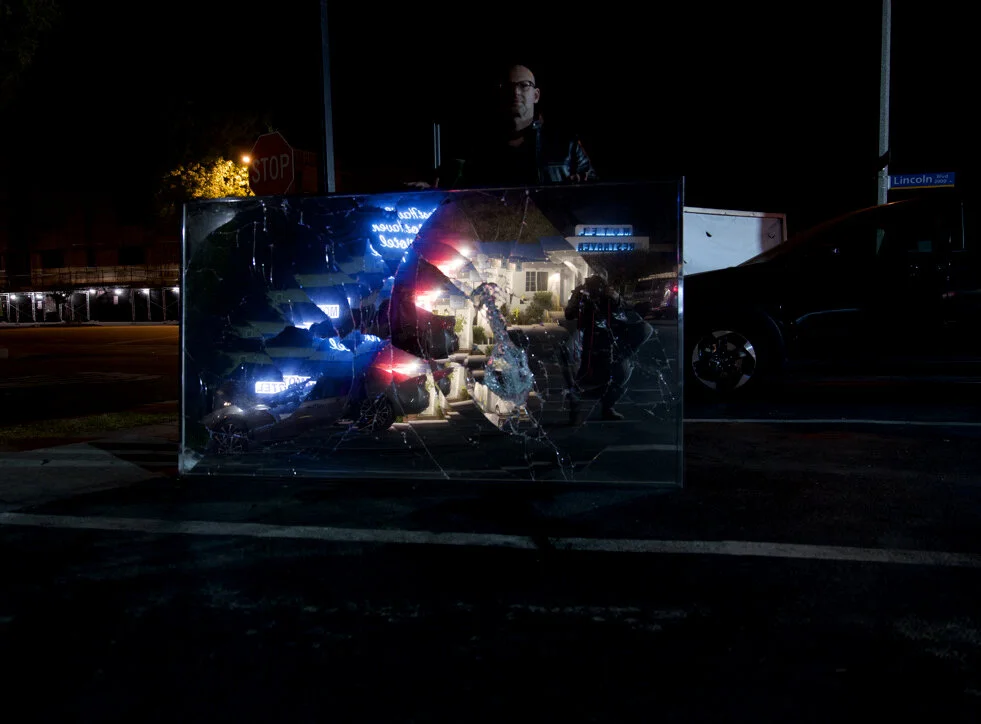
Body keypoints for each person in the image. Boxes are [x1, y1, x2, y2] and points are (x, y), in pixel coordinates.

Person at [409, 62, 597, 189]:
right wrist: (427, 190)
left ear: (536, 95)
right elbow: (455, 191)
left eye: (524, 85)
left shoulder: (565, 143)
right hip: (497, 242)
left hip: (553, 238)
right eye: (508, 87)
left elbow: (596, 190)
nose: (515, 92)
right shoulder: (480, 147)